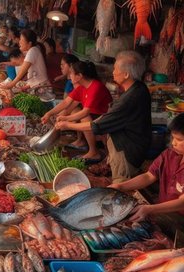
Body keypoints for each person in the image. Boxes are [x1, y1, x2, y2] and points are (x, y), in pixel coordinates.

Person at [56, 51, 152, 183]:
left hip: (126, 151)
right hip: (127, 145)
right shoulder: (139, 88)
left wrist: (67, 125)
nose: (113, 72)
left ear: (126, 74)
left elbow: (96, 126)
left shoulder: (130, 98)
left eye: (116, 69)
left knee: (120, 185)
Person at [109, 114, 184, 221]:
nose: (173, 143)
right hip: (162, 212)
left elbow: (182, 203)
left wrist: (150, 209)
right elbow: (149, 176)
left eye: (179, 139)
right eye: (173, 138)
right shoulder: (169, 154)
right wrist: (120, 186)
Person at [50, 61, 112, 162]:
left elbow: (85, 112)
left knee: (83, 116)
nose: (69, 76)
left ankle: (93, 152)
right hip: (95, 116)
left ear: (79, 76)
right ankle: (81, 141)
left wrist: (65, 120)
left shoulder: (96, 86)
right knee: (75, 111)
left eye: (71, 73)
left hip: (105, 119)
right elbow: (66, 103)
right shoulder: (82, 87)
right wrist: (50, 114)